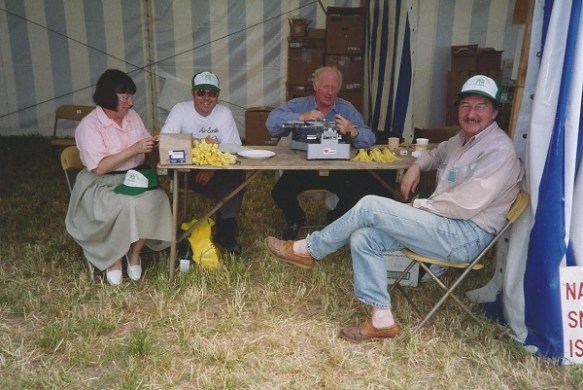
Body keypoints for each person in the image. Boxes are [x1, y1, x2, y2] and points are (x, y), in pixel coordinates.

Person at [264, 75, 524, 342]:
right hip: (442, 225)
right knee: (363, 237)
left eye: (480, 107)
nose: (471, 114)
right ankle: (381, 319)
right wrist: (416, 166)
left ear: (495, 112)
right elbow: (437, 153)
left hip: (464, 235)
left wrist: (418, 206)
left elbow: (464, 205)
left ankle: (307, 249)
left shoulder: (498, 150)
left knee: (370, 206)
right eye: (466, 106)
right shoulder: (463, 139)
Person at [66, 69, 172, 286]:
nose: (131, 103)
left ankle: (134, 252)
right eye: (125, 97)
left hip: (132, 177)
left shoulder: (132, 117)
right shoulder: (90, 125)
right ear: (108, 96)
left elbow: (141, 147)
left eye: (132, 96)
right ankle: (113, 259)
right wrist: (133, 149)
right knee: (125, 203)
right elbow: (99, 168)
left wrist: (152, 145)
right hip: (99, 184)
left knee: (157, 199)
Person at [266, 66, 392, 240]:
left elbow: (369, 137)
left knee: (359, 190)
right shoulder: (301, 104)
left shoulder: (346, 109)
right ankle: (295, 218)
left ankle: (334, 219)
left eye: (334, 87)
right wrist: (301, 117)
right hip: (303, 167)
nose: (330, 91)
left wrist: (353, 131)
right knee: (280, 191)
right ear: (316, 86)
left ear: (339, 88)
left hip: (336, 168)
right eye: (326, 86)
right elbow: (271, 123)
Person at [161, 71, 245, 255]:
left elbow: (233, 147)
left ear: (217, 96)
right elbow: (166, 141)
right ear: (193, 93)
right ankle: (188, 232)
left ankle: (226, 233)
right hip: (184, 169)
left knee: (236, 176)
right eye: (201, 92)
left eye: (212, 93)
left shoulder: (224, 113)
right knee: (228, 182)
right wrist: (199, 145)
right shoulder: (180, 110)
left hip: (216, 169)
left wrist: (211, 169)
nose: (206, 98)